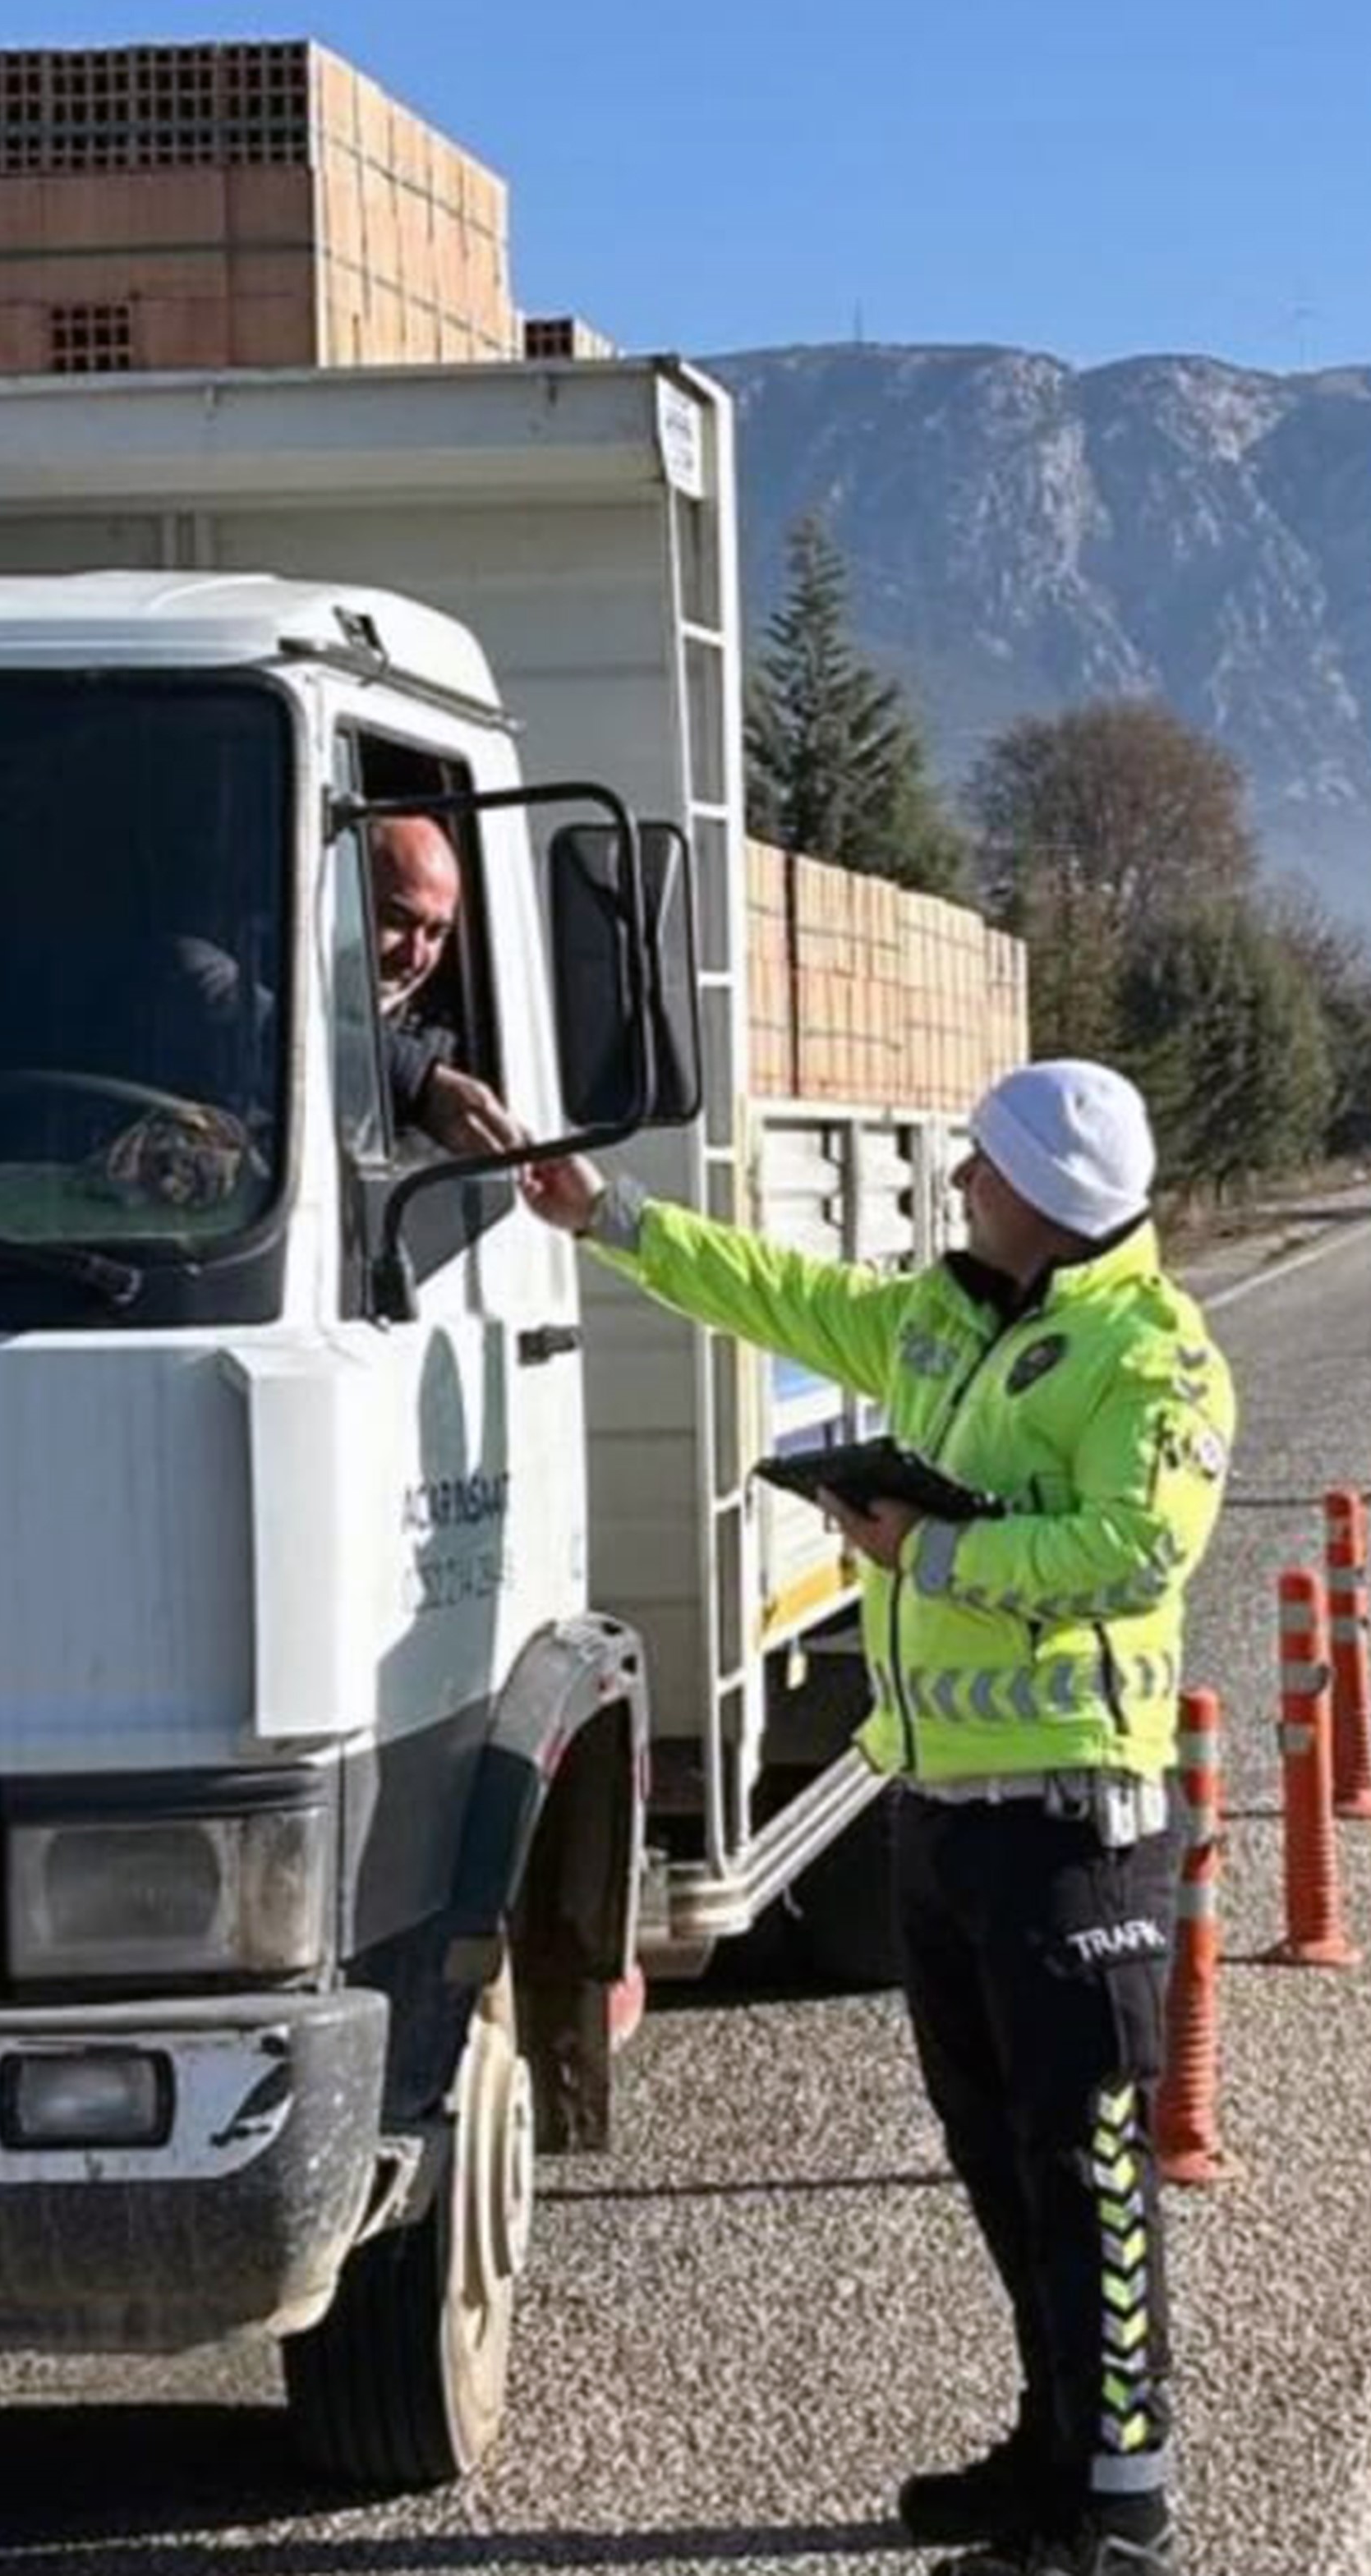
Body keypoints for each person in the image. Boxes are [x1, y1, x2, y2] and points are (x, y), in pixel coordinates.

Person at [519, 1060, 1235, 2576]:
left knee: (1086, 2163)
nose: (959, 1186)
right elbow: (776, 1292)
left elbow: (1131, 1554)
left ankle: (1124, 2507)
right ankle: (1054, 2447)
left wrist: (928, 1549)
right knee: (992, 2150)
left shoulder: (1152, 1359)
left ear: (1043, 1192)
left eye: (979, 1166)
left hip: (1073, 1825)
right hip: (940, 1814)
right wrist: (610, 1216)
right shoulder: (943, 1317)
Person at [368, 814, 519, 1154]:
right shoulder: (245, 993)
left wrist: (606, 1203)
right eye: (397, 920)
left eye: (436, 933)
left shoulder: (453, 1051)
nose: (415, 956)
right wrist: (418, 1082)